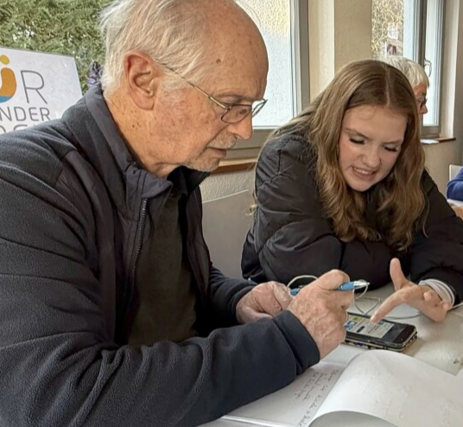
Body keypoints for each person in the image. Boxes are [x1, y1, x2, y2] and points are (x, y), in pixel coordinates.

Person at [0, 0, 354, 425]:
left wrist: (237, 300)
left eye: (251, 108)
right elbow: (65, 400)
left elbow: (175, 290)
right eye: (229, 103)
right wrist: (288, 342)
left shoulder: (176, 170)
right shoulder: (23, 185)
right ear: (142, 79)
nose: (244, 129)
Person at [242, 59, 463, 325]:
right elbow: (311, 272)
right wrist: (405, 250)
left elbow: (456, 245)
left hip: (374, 314)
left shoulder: (404, 162)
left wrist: (435, 290)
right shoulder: (286, 156)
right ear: (332, 124)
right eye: (358, 140)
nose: (372, 161)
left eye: (390, 147)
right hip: (283, 322)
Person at [382, 56, 463, 225]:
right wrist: (461, 213)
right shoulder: (385, 153)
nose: (424, 109)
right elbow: (398, 219)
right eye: (420, 100)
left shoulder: (409, 149)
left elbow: (424, 202)